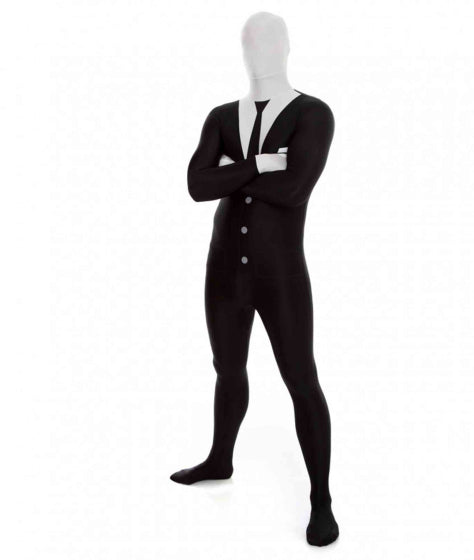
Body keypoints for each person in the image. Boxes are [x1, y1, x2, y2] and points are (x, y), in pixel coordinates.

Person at [170, 11, 339, 547]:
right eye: (249, 41)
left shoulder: (313, 113)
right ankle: (220, 458)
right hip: (223, 270)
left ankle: (321, 500)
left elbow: (294, 190)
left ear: (288, 46)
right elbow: (197, 185)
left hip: (280, 274)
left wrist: (231, 172)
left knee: (301, 380)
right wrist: (262, 164)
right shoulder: (222, 115)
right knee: (227, 368)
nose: (257, 49)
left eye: (268, 39)